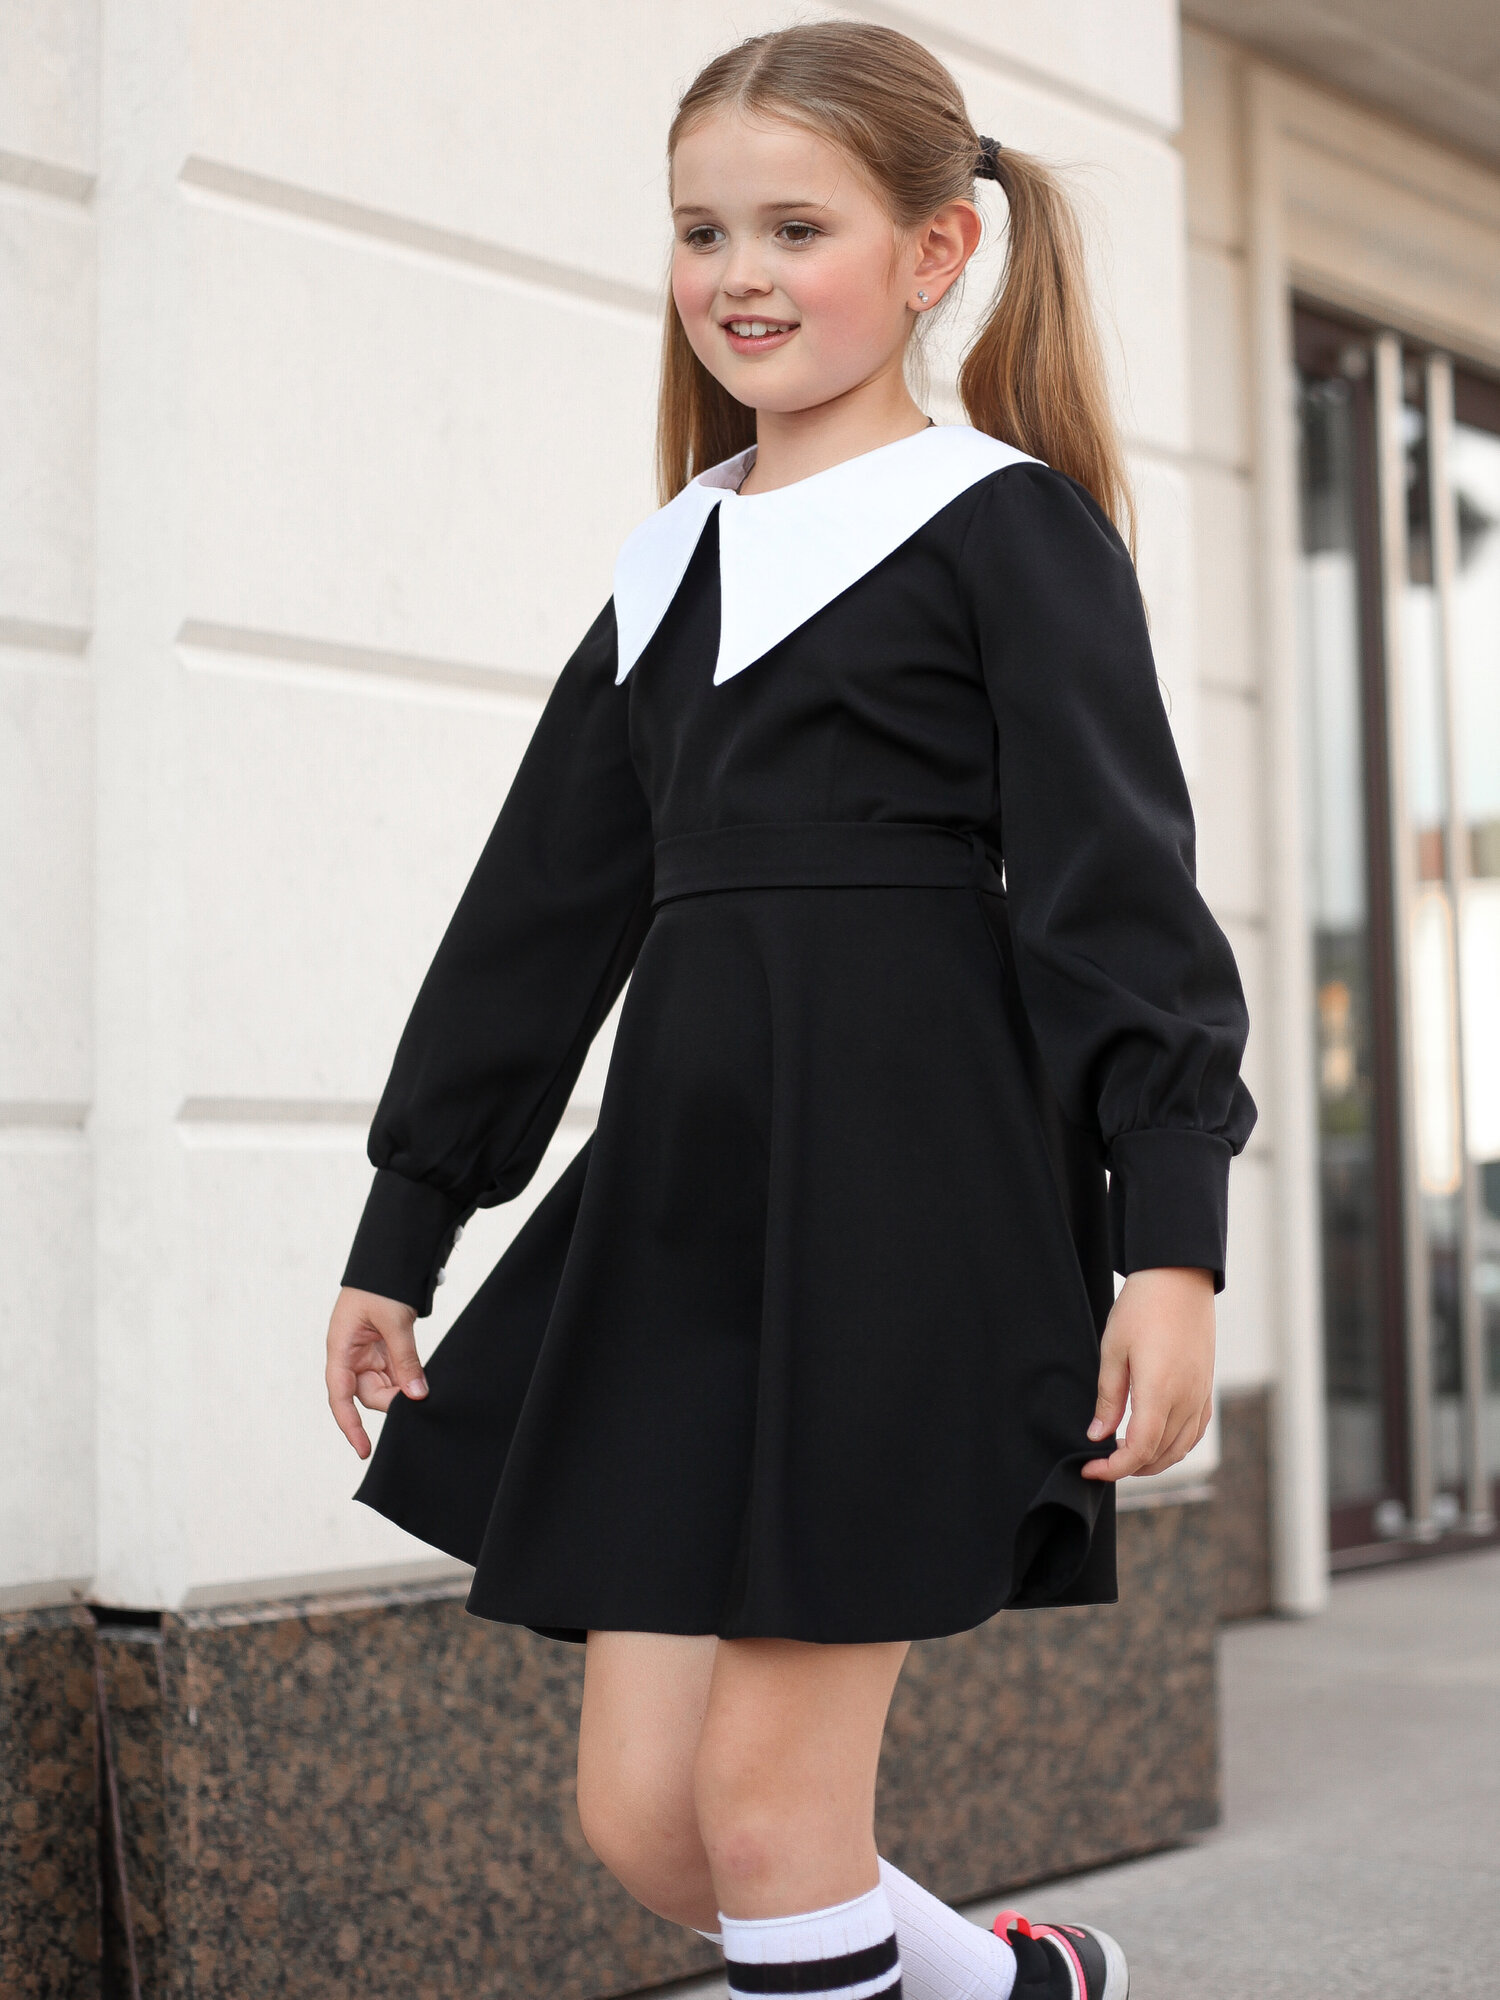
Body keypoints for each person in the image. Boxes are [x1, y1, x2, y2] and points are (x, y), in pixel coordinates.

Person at [324, 21, 1256, 2000]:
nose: (738, 274)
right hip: (682, 1227)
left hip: (911, 1216)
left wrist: (1169, 1246)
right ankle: (1017, 1986)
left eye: (794, 228)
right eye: (701, 231)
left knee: (767, 1814)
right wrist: (409, 1224)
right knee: (649, 1823)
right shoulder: (674, 560)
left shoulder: (1006, 526)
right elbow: (538, 915)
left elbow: (1121, 904)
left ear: (936, 253)